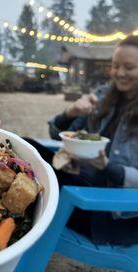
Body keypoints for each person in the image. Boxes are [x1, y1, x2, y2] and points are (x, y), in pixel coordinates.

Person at [26, 35, 138, 245]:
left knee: (36, 178)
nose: (120, 73)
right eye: (115, 66)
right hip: (84, 181)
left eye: (129, 67)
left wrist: (108, 167)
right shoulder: (104, 95)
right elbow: (59, 134)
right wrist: (71, 111)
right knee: (25, 148)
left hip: (109, 213)